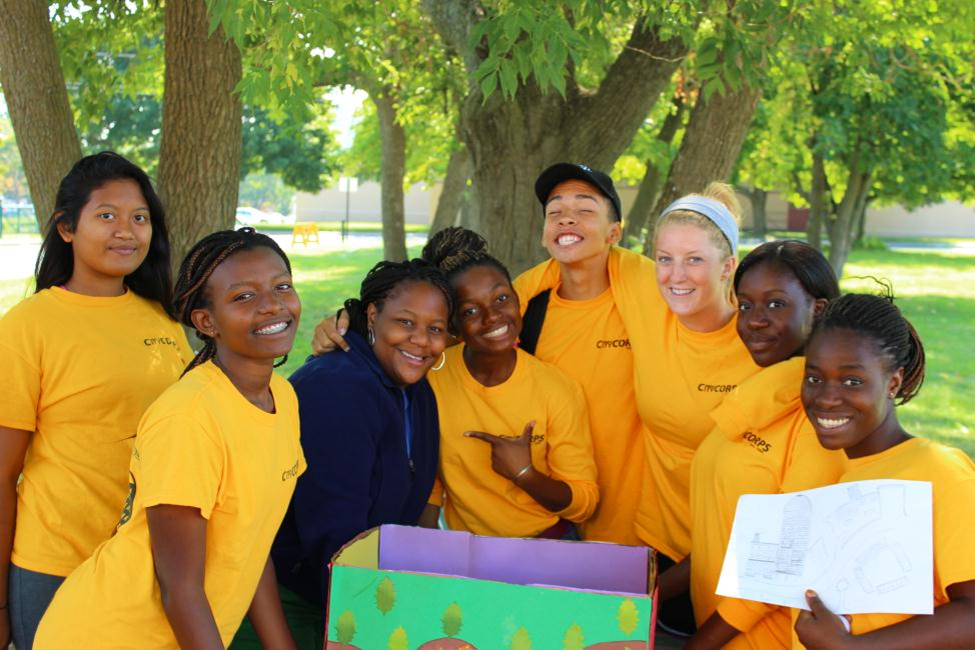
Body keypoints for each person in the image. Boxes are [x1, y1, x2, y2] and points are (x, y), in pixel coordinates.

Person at [515, 166, 759, 635]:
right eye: (665, 258)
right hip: (652, 539)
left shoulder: (757, 341)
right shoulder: (646, 290)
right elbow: (517, 288)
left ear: (728, 266)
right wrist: (357, 323)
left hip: (729, 556)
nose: (676, 274)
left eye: (694, 260)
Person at [34, 228, 305, 649]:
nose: (273, 305)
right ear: (206, 322)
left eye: (282, 286)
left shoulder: (283, 397)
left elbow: (253, 545)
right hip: (110, 635)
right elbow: (180, 588)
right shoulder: (189, 417)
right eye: (244, 297)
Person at [0, 152, 191, 650]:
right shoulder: (28, 327)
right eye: (106, 215)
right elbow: (1, 476)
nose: (126, 231)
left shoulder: (164, 318)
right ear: (67, 227)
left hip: (149, 564)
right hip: (60, 565)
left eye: (139, 217)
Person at [262, 259, 452, 650]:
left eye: (435, 329)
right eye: (406, 322)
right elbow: (335, 536)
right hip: (299, 603)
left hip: (361, 592)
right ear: (371, 314)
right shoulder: (338, 389)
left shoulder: (417, 391)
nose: (421, 340)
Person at [684, 241, 847, 650]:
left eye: (775, 305)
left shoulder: (821, 421)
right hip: (713, 625)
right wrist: (650, 583)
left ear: (819, 309)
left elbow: (781, 567)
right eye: (745, 306)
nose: (754, 321)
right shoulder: (755, 398)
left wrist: (696, 646)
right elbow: (722, 530)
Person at [791, 292, 975, 649]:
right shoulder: (842, 474)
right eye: (814, 379)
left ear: (893, 383)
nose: (827, 398)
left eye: (852, 381)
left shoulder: (942, 472)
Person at [421, 227, 599, 538]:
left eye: (502, 298)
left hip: (545, 545)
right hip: (465, 550)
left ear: (518, 300)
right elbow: (432, 483)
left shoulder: (556, 389)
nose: (492, 317)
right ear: (454, 325)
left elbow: (584, 503)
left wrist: (525, 474)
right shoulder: (434, 378)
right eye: (471, 310)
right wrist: (425, 555)